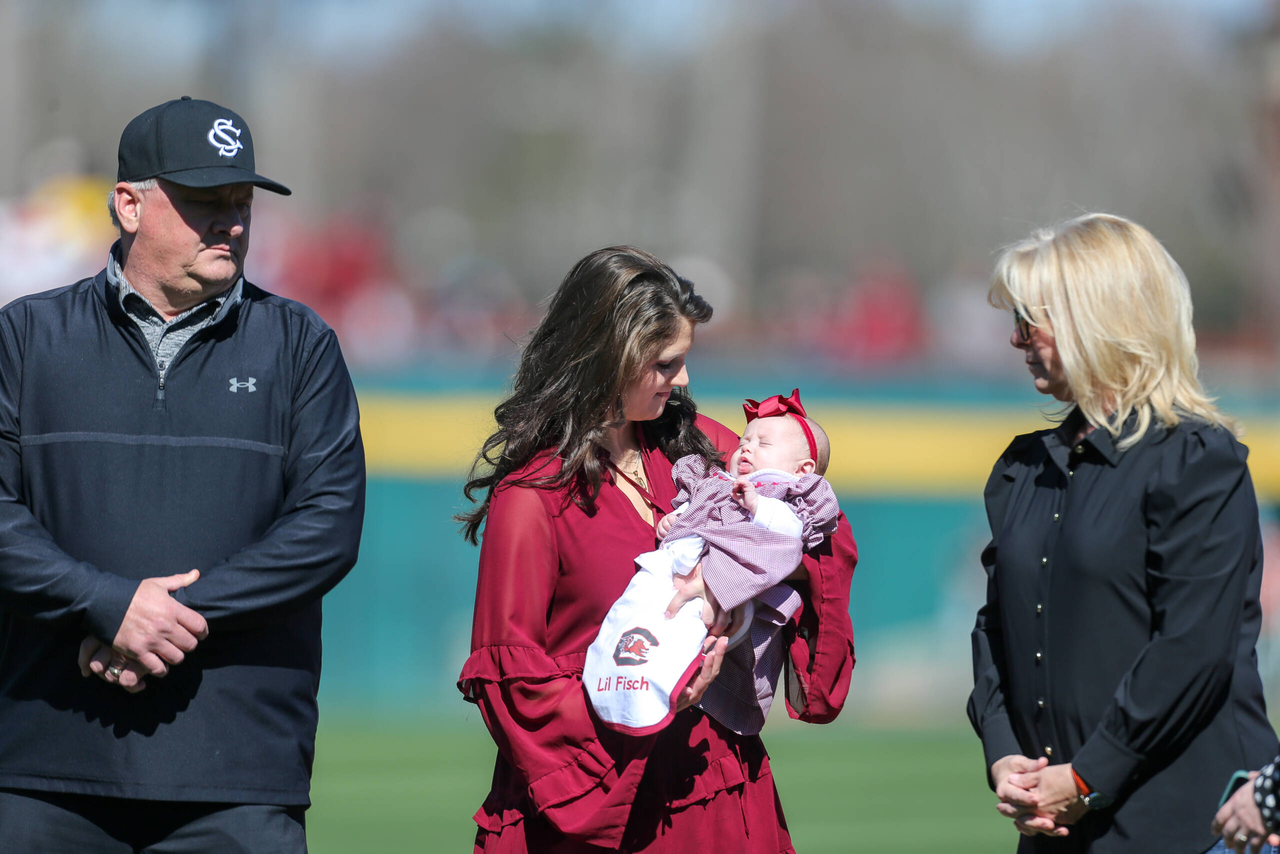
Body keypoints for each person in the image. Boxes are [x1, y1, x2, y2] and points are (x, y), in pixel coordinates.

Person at [0, 96, 365, 852]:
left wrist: (164, 615)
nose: (231, 220)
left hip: (238, 776)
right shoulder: (26, 336)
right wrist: (104, 602)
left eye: (241, 201)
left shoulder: (299, 345)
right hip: (43, 767)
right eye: (205, 200)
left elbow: (327, 527)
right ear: (127, 205)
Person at [456, 246, 858, 853]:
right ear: (608, 358)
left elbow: (817, 523)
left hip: (716, 787)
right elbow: (511, 676)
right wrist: (642, 693)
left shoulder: (707, 452)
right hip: (599, 802)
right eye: (666, 364)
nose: (685, 381)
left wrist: (754, 569)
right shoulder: (532, 495)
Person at [968, 212, 1278, 853]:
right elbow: (996, 627)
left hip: (1198, 828)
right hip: (1056, 826)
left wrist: (1086, 777)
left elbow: (1192, 651)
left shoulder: (1197, 458)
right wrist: (1005, 757)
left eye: (1032, 321)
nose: (1017, 340)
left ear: (1098, 319)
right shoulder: (1023, 466)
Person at [584, 389, 840, 737]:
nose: (746, 447)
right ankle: (609, 661)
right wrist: (675, 519)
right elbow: (695, 511)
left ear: (802, 469)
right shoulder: (717, 481)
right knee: (639, 594)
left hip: (731, 590)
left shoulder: (786, 495)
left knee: (687, 623)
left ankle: (650, 685)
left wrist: (758, 505)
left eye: (763, 444)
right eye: (745, 440)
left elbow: (787, 537)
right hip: (678, 563)